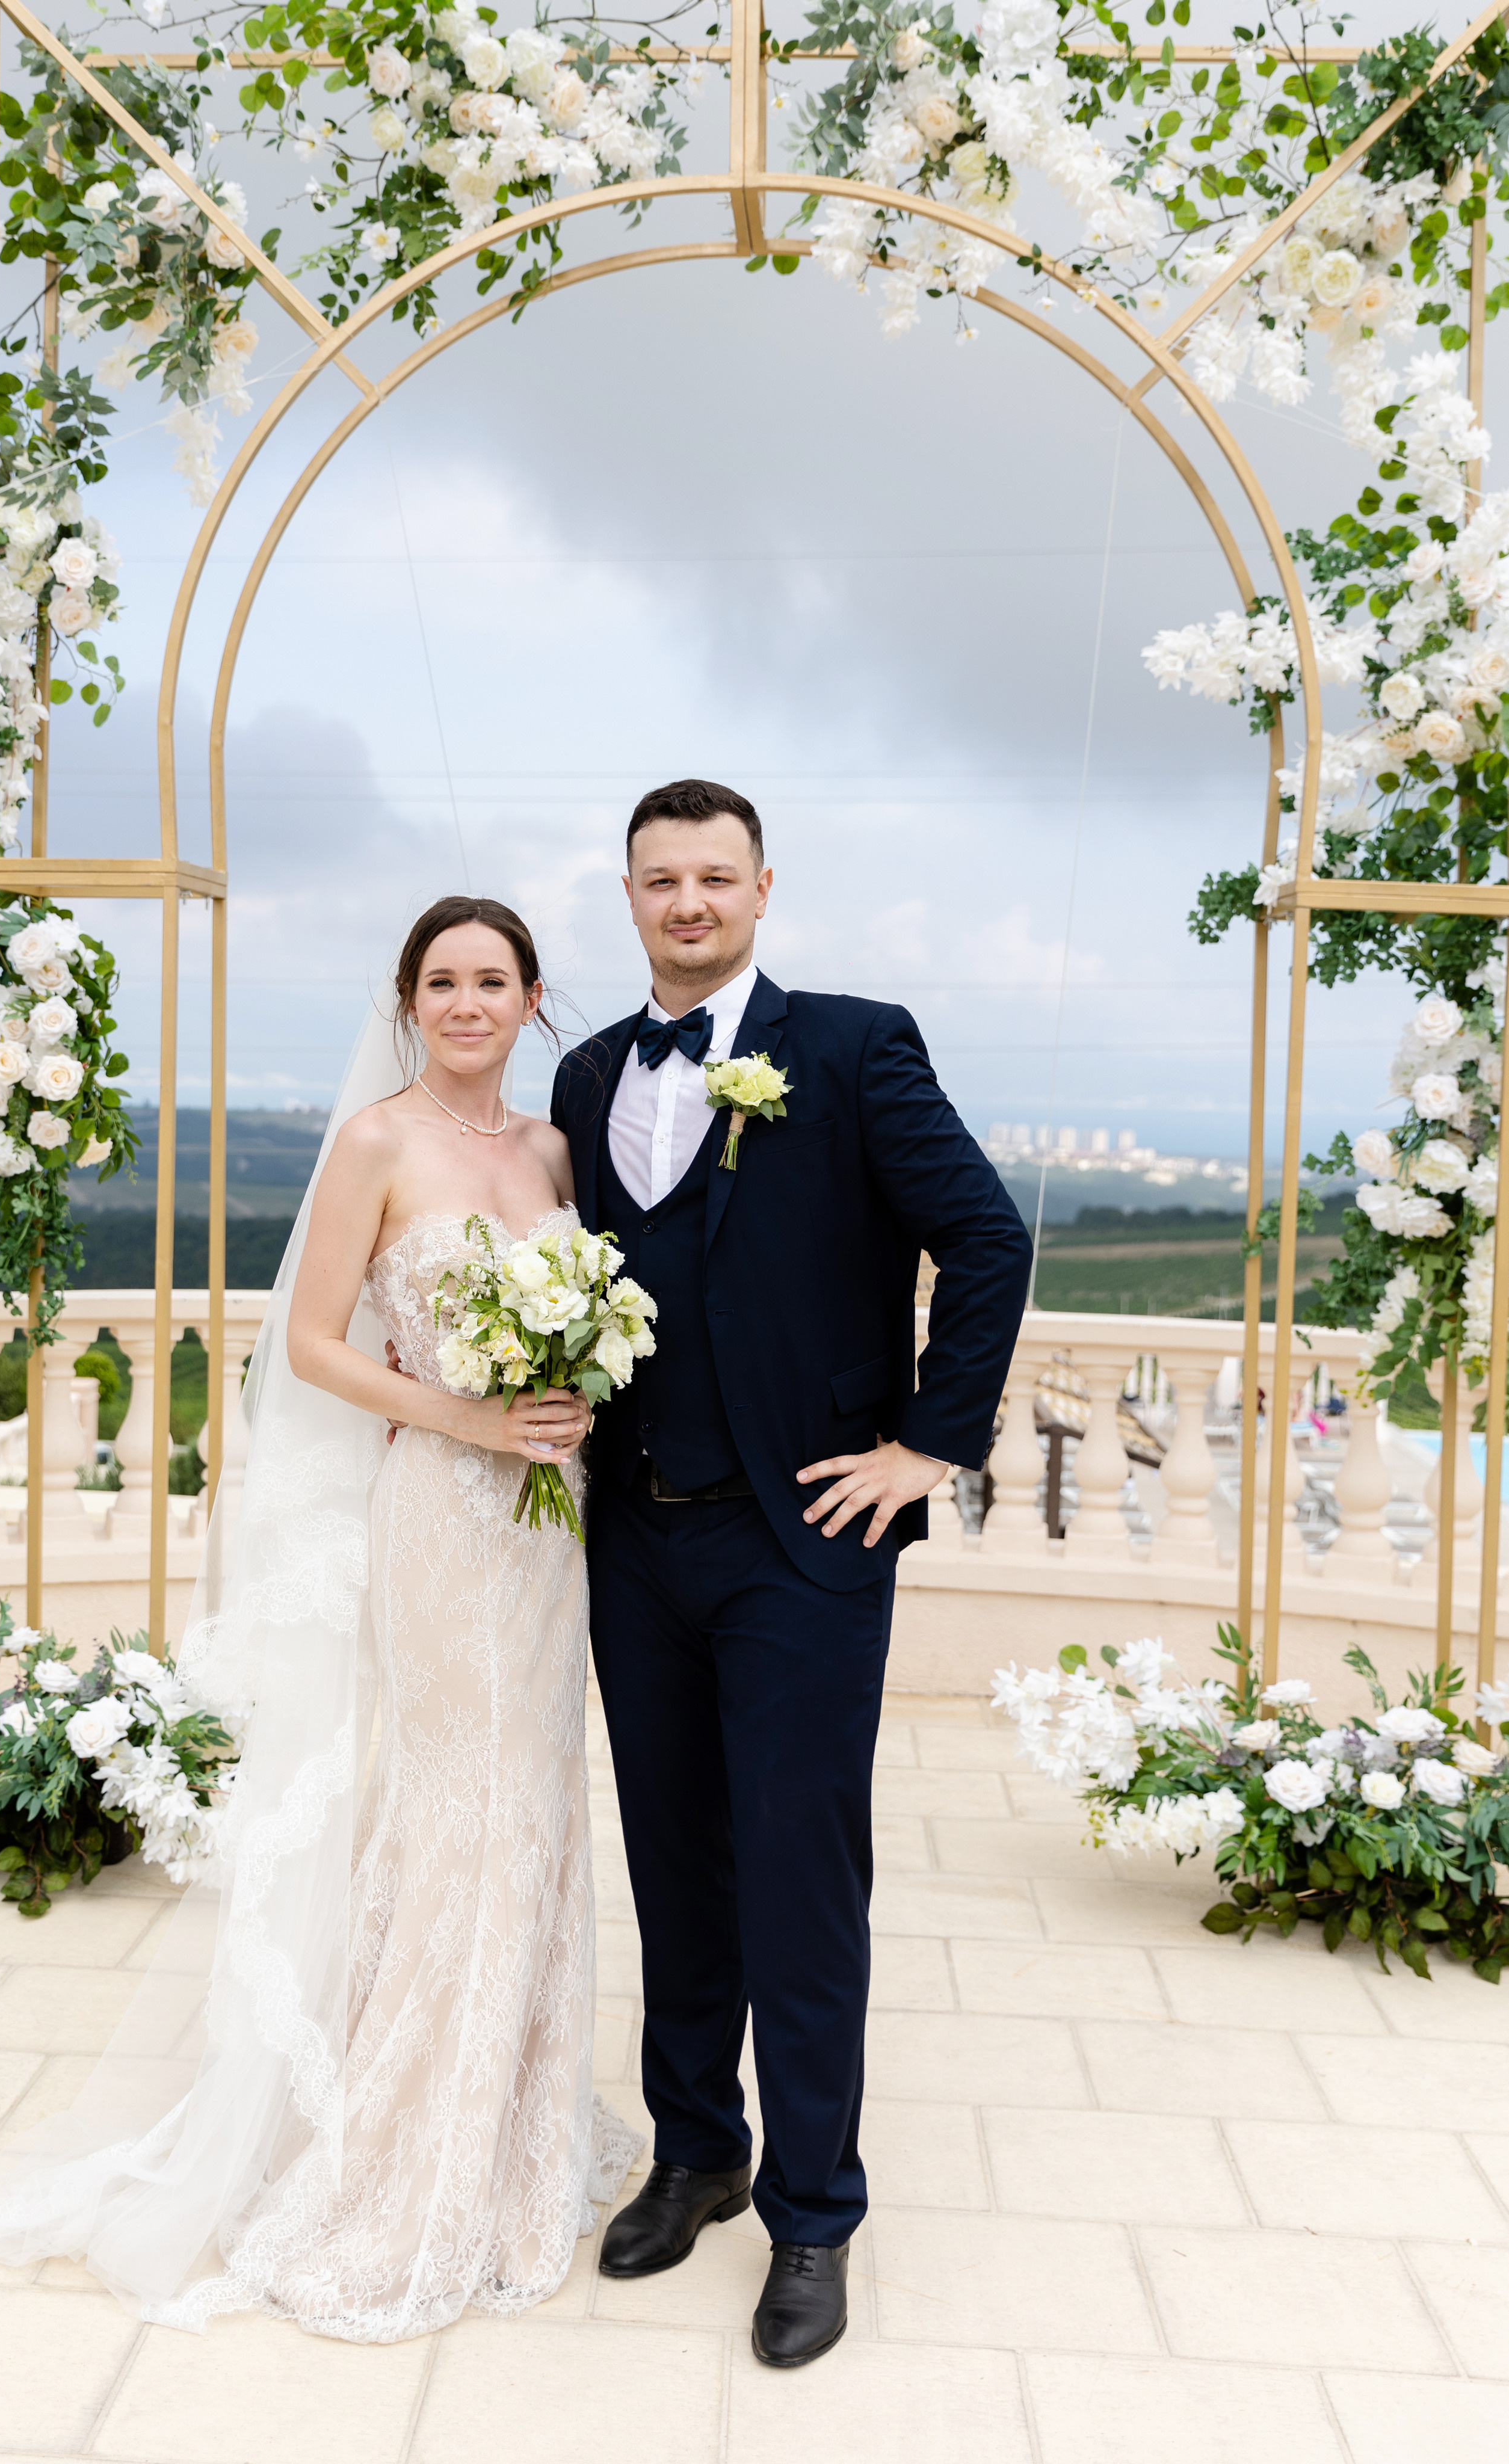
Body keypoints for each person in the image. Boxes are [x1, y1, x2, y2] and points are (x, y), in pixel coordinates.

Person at [0, 895, 641, 2340]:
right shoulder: (375, 1139)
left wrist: (567, 1387)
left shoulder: (549, 1148)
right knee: (456, 1804)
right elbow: (315, 1341)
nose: (468, 1002)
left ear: (535, 999)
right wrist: (467, 1412)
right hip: (442, 1517)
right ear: (409, 1001)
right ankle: (408, 2146)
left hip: (548, 1524)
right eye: (442, 980)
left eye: (494, 979)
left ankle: (512, 2121)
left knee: (533, 1798)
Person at [551, 778, 1031, 2367]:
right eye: (658, 880)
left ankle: (812, 2215)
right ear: (627, 896)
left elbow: (986, 1234)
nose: (686, 903)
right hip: (634, 1533)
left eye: (714, 878)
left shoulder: (851, 1045)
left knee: (800, 1878)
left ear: (763, 888)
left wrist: (929, 1446)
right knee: (675, 1859)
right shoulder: (584, 1072)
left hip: (805, 1539)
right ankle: (697, 2150)